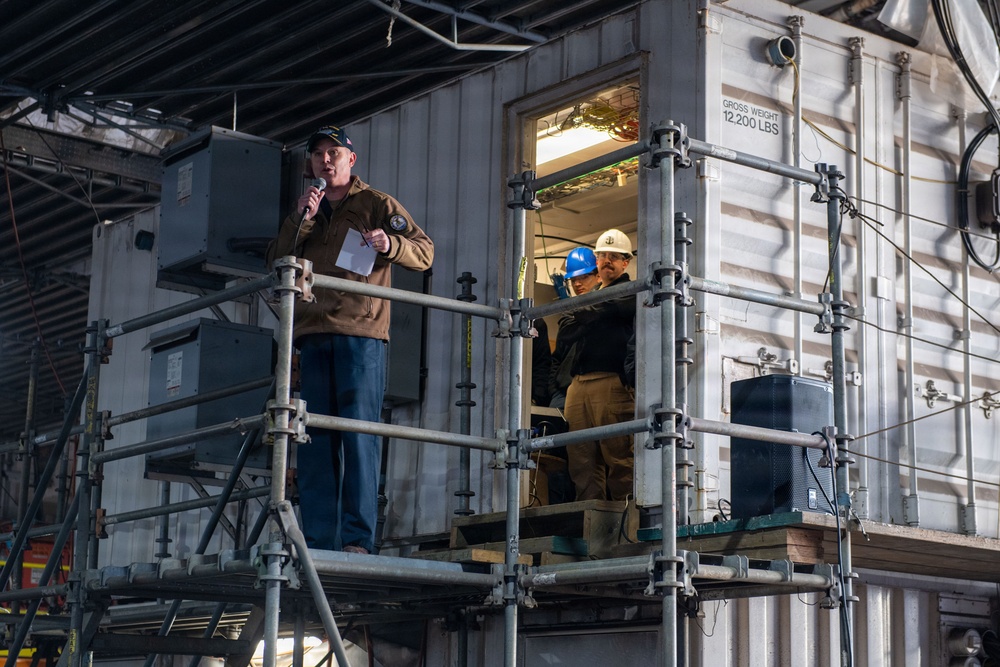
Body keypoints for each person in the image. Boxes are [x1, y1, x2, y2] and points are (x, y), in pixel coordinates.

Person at [267, 125, 434, 554]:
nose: (326, 160)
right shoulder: (306, 210)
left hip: (360, 335)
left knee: (358, 438)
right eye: (318, 154)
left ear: (351, 159)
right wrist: (300, 219)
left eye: (334, 152)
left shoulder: (376, 204)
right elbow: (276, 259)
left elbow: (424, 251)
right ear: (310, 164)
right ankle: (320, 541)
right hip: (311, 335)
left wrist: (390, 242)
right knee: (316, 441)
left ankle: (358, 541)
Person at [557, 230, 635, 501]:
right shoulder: (596, 296)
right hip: (578, 386)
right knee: (581, 459)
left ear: (626, 262)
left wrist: (583, 312)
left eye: (615, 257)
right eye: (602, 256)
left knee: (619, 456)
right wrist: (591, 312)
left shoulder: (629, 292)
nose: (607, 261)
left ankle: (627, 526)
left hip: (611, 382)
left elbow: (608, 310)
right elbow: (566, 330)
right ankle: (592, 527)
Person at [548, 247, 601, 410]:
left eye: (584, 277)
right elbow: (558, 357)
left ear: (598, 275)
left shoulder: (609, 306)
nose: (577, 283)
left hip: (596, 386)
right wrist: (553, 388)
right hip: (564, 390)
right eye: (573, 279)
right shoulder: (569, 312)